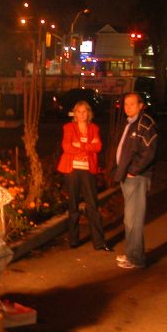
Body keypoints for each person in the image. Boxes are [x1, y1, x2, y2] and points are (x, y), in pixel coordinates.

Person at [56, 100, 111, 251]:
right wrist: (87, 149)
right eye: (78, 111)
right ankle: (74, 240)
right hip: (72, 170)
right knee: (73, 205)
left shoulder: (94, 128)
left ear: (88, 113)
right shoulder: (68, 127)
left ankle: (99, 242)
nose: (81, 114)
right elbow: (67, 147)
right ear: (75, 113)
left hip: (88, 170)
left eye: (84, 111)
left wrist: (79, 145)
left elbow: (98, 146)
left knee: (92, 205)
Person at [113, 92, 158, 269]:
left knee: (134, 220)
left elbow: (148, 152)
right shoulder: (131, 123)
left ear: (141, 105)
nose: (128, 107)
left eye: (132, 104)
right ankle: (131, 253)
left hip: (137, 178)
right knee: (129, 219)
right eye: (126, 104)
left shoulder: (145, 124)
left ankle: (136, 259)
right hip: (127, 176)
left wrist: (133, 171)